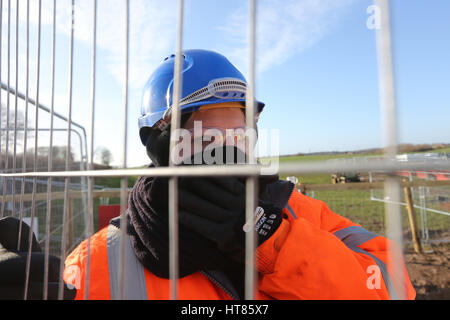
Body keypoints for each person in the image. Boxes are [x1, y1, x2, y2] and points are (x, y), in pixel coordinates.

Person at [63, 49, 416, 300]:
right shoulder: (99, 263)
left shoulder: (298, 213)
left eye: (241, 137)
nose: (230, 155)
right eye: (209, 139)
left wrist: (272, 237)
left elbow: (392, 286)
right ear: (156, 142)